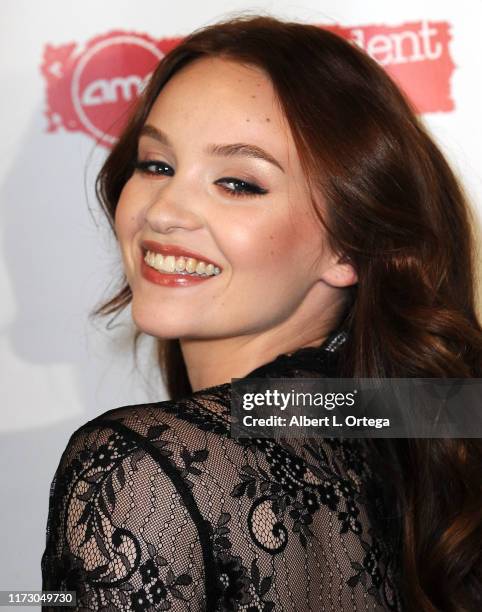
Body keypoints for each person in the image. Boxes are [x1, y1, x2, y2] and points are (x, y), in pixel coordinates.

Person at [41, 15, 482, 612]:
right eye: (156, 165)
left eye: (238, 183)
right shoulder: (423, 426)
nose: (164, 211)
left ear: (350, 246)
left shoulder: (144, 470)